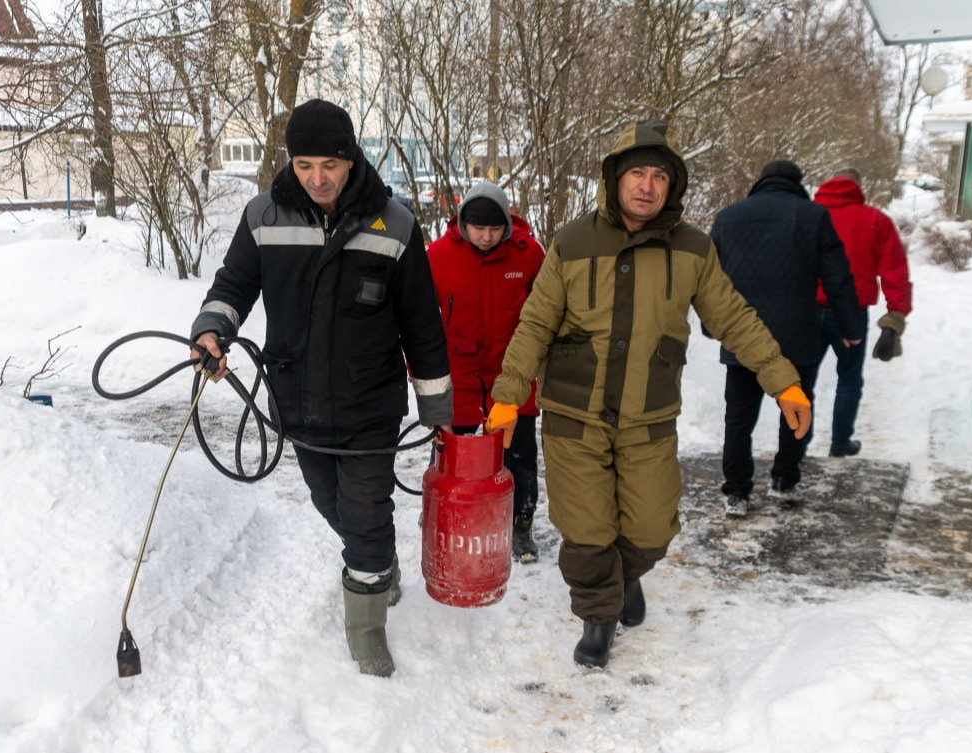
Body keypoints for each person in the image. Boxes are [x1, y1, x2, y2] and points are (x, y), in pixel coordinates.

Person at [485, 119, 811, 669]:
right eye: (636, 173)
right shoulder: (572, 242)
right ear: (614, 180)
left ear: (672, 186)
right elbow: (535, 324)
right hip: (574, 412)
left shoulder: (693, 249)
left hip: (648, 414)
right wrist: (508, 395)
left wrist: (784, 381)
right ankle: (598, 615)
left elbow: (734, 318)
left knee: (653, 526)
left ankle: (626, 575)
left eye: (659, 176)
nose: (646, 186)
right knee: (586, 529)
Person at [189, 99, 452, 678]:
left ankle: (366, 635)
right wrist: (213, 328)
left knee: (363, 515)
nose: (318, 178)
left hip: (370, 404)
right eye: (305, 164)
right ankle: (379, 561)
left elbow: (422, 322)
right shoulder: (264, 216)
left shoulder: (397, 222)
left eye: (329, 164)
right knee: (329, 503)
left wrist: (436, 404)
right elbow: (234, 283)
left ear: (351, 158)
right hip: (296, 399)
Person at [709, 160, 862, 517]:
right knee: (795, 411)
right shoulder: (814, 217)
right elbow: (838, 279)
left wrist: (712, 324)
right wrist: (851, 328)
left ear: (761, 182)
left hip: (742, 336)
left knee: (739, 418)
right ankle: (785, 480)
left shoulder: (728, 217)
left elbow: (709, 280)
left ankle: (736, 492)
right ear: (797, 184)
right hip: (797, 337)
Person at [426, 181, 546, 562]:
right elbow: (420, 321)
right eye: (478, 228)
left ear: (507, 226)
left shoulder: (528, 255)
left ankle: (520, 524)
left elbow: (545, 315)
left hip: (512, 375)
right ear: (463, 223)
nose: (486, 236)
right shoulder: (437, 256)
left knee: (520, 455)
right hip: (457, 376)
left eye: (495, 229)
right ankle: (446, 514)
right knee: (452, 455)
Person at [814, 167, 913, 457]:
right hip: (850, 314)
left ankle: (795, 443)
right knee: (848, 377)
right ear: (859, 186)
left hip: (807, 310)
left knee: (800, 378)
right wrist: (895, 315)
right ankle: (840, 442)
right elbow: (894, 271)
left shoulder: (808, 215)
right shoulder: (876, 220)